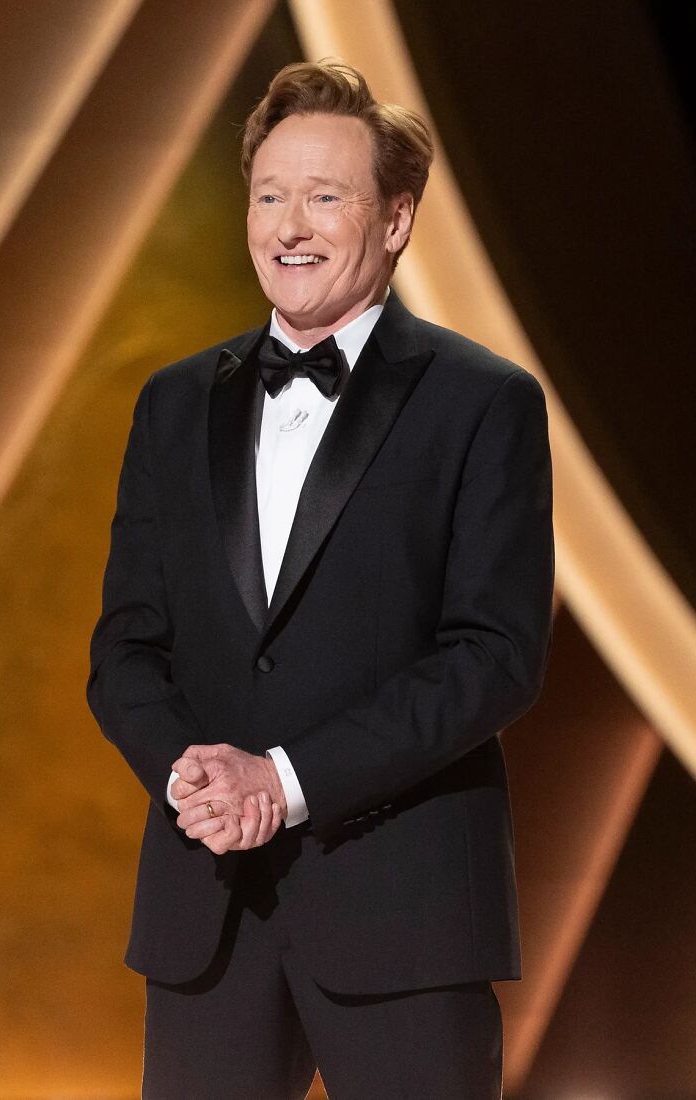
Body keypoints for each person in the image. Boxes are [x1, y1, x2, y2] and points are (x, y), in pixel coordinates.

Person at [88, 60, 554, 1100]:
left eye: (324, 195)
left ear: (394, 219)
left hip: (404, 914)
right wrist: (186, 774)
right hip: (206, 913)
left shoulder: (484, 402)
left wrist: (286, 779)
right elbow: (124, 643)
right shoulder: (170, 404)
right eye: (268, 193)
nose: (288, 223)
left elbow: (495, 657)